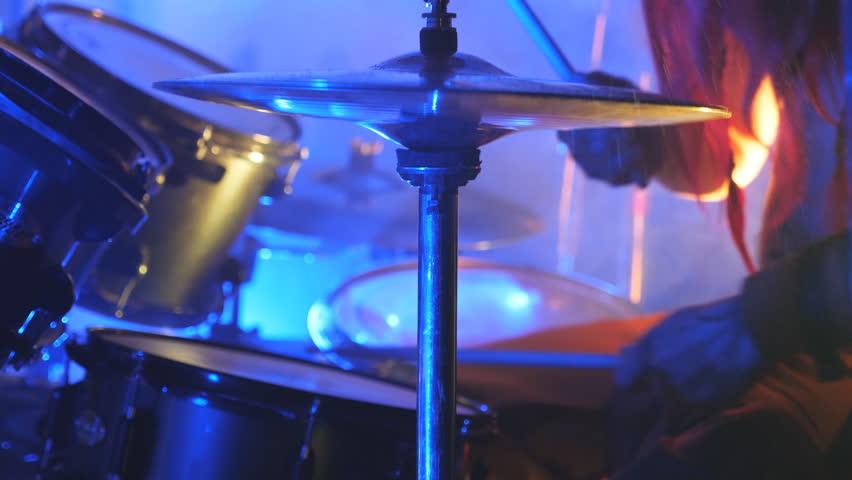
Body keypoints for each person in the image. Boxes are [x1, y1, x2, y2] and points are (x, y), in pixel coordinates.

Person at [560, 0, 852, 478]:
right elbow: (734, 151)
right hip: (796, 324)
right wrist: (647, 137)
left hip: (825, 339)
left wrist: (750, 323)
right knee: (490, 386)